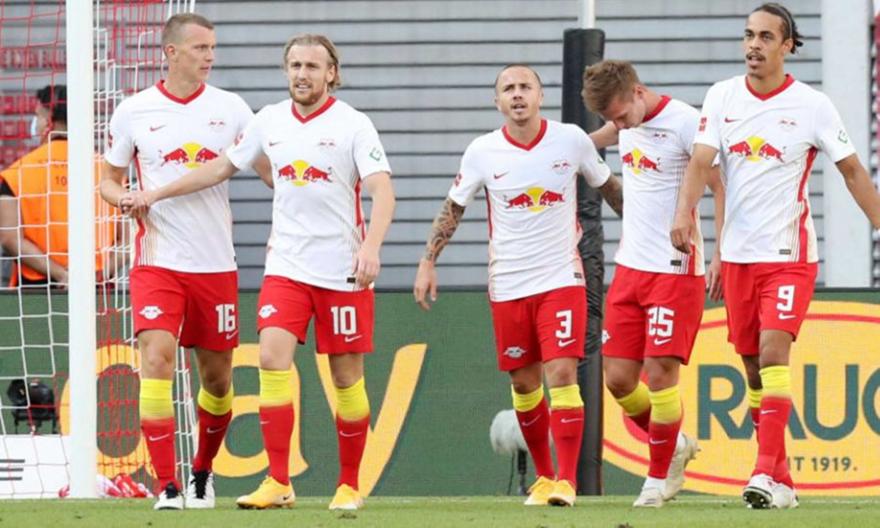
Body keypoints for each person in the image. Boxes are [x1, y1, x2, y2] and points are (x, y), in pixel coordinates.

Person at [122, 33, 395, 511]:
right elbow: (219, 168)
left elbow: (382, 191)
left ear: (331, 73)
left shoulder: (354, 124)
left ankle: (349, 485)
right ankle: (279, 480)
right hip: (286, 266)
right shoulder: (269, 120)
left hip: (343, 270)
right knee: (270, 359)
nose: (302, 74)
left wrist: (371, 246)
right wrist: (155, 194)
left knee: (347, 378)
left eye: (312, 66)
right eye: (295, 65)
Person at [671, 3, 880, 510]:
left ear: (787, 45)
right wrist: (683, 215)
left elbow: (852, 171)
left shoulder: (812, 106)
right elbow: (700, 163)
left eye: (765, 37)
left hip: (789, 255)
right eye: (749, 35)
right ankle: (782, 479)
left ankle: (763, 471)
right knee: (752, 370)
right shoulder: (722, 96)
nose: (753, 45)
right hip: (739, 257)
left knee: (772, 352)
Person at [413, 64, 622, 507]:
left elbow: (609, 188)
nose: (518, 94)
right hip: (508, 284)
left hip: (561, 278)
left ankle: (567, 481)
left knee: (561, 373)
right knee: (525, 384)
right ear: (498, 102)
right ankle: (544, 477)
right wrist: (428, 261)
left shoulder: (571, 140)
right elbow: (454, 207)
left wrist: (648, 230)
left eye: (526, 86)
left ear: (540, 96)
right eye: (508, 88)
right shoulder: (482, 151)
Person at [100, 13, 268, 510]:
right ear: (171, 52)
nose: (209, 56)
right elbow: (107, 179)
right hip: (158, 261)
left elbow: (268, 171)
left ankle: (202, 472)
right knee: (155, 358)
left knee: (217, 378)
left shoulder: (232, 109)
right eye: (200, 48)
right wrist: (122, 197)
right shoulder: (134, 111)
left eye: (212, 48)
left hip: (215, 263)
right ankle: (167, 484)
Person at [582, 60, 725, 507]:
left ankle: (657, 479)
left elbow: (720, 187)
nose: (620, 125)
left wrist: (720, 252)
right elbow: (601, 137)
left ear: (638, 92)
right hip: (630, 268)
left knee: (661, 372)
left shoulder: (685, 123)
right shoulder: (623, 123)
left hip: (675, 268)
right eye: (613, 119)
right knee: (619, 380)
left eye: (623, 115)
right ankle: (674, 443)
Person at [0, 85, 118, 288]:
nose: (35, 123)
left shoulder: (17, 173)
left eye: (37, 116)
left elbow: (9, 238)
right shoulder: (108, 171)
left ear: (49, 120)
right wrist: (100, 274)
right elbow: (127, 240)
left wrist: (62, 275)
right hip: (97, 288)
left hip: (35, 289)